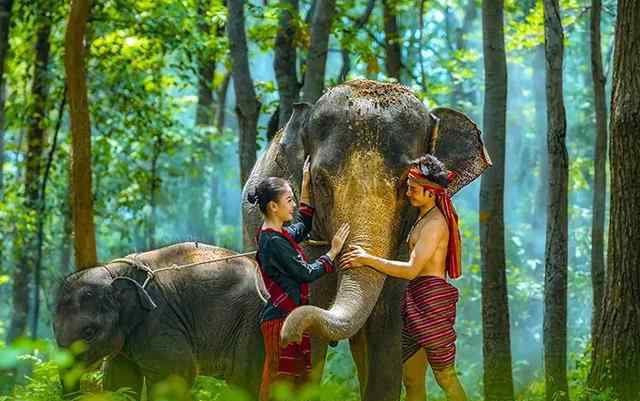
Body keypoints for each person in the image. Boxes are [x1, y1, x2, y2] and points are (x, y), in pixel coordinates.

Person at [341, 154, 467, 401]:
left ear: (431, 192)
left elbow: (411, 270)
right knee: (410, 379)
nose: (408, 193)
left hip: (432, 304)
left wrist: (367, 259)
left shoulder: (434, 224)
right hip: (415, 301)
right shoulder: (422, 217)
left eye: (413, 189)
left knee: (445, 377)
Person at [248, 157, 350, 401]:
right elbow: (306, 273)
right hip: (280, 321)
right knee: (278, 383)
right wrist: (333, 252)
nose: (292, 205)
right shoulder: (273, 241)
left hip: (292, 319)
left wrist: (305, 185)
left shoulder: (279, 235)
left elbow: (302, 225)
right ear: (273, 206)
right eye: (289, 200)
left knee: (294, 383)